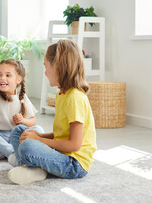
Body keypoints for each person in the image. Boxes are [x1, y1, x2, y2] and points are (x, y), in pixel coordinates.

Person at [7, 39, 97, 185]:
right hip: (62, 154)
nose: (45, 72)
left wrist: (39, 140)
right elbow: (61, 134)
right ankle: (32, 167)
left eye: (46, 67)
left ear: (59, 67)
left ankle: (30, 166)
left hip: (74, 164)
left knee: (28, 146)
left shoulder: (75, 98)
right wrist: (39, 135)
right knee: (19, 131)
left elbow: (74, 145)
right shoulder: (61, 94)